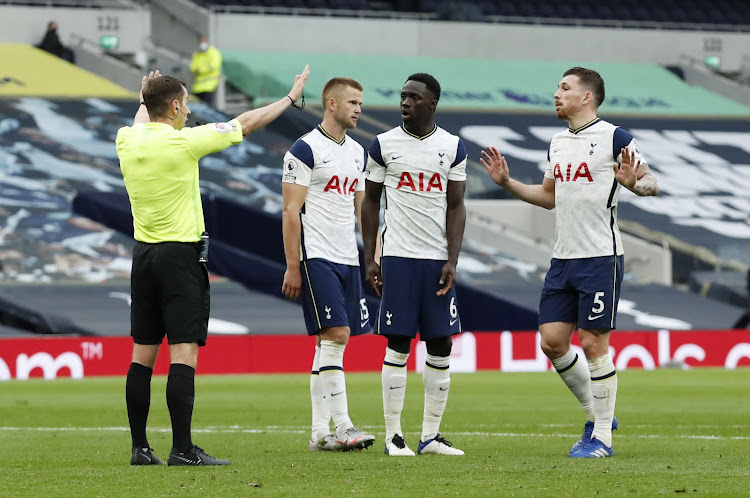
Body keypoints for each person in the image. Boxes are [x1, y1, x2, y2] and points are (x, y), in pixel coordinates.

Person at [117, 64, 310, 466]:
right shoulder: (184, 143)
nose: (188, 111)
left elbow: (141, 119)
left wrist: (143, 94)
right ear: (172, 107)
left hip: (143, 256)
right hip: (181, 257)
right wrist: (290, 99)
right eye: (185, 104)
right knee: (184, 351)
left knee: (142, 355)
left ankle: (140, 448)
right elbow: (246, 122)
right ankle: (183, 449)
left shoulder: (127, 140)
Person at [480, 66, 659, 458]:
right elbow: (549, 196)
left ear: (587, 98)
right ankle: (598, 414)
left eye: (564, 88)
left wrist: (632, 184)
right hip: (563, 258)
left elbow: (651, 182)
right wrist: (507, 183)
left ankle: (601, 439)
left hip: (600, 256)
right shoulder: (557, 142)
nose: (556, 93)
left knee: (593, 343)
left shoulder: (614, 136)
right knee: (553, 341)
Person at [361, 73, 467, 457]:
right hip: (399, 257)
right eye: (402, 96)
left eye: (414, 97)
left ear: (432, 103)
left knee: (440, 343)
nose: (405, 103)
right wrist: (371, 256)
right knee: (399, 342)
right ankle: (394, 437)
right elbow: (370, 201)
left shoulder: (452, 147)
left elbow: (456, 206)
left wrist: (453, 259)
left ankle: (430, 437)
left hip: (436, 258)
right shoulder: (383, 145)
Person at [281, 77, 375, 453]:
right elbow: (291, 211)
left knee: (329, 344)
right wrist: (293, 265)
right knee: (336, 336)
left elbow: (363, 210)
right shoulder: (305, 149)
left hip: (347, 258)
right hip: (316, 255)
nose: (358, 109)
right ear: (331, 104)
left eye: (361, 104)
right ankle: (343, 425)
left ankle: (319, 432)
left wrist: (373, 256)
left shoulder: (357, 152)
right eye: (352, 102)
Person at [189, 35, 222, 107]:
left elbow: (214, 66)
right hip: (197, 87)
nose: (203, 43)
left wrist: (200, 70)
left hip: (209, 85)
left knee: (207, 107)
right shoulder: (197, 54)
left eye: (204, 41)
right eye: (201, 41)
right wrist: (197, 70)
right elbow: (192, 67)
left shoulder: (213, 52)